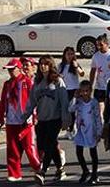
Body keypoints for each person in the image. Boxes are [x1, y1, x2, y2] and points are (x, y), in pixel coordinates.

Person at [23, 56, 70, 184]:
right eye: (41, 64)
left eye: (46, 64)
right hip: (42, 119)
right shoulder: (37, 83)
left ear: (51, 66)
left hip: (55, 118)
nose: (43, 66)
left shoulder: (57, 81)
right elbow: (31, 101)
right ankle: (60, 169)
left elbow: (64, 101)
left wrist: (66, 118)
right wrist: (24, 116)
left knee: (49, 144)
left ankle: (42, 172)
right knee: (47, 145)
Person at [0, 58, 41, 182]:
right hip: (11, 120)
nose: (10, 72)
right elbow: (3, 102)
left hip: (25, 120)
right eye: (9, 70)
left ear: (19, 68)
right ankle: (14, 173)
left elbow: (34, 100)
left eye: (12, 69)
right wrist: (1, 117)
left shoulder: (27, 82)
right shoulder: (7, 84)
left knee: (29, 147)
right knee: (12, 148)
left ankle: (38, 168)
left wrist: (34, 116)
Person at [68, 80, 102, 185]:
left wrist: (99, 132)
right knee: (79, 151)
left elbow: (98, 118)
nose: (85, 93)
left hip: (91, 130)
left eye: (87, 91)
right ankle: (85, 170)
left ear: (90, 91)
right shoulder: (79, 101)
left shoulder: (94, 103)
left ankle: (95, 174)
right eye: (82, 91)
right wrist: (74, 97)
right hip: (81, 130)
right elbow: (70, 109)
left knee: (93, 152)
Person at [89, 35, 110, 110]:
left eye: (101, 45)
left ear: (107, 44)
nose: (99, 47)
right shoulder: (95, 56)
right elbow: (93, 71)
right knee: (98, 108)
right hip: (99, 86)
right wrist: (91, 84)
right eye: (97, 45)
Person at [59, 46, 85, 140]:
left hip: (74, 90)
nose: (70, 56)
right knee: (66, 111)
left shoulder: (75, 64)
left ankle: (72, 130)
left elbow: (82, 74)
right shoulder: (61, 66)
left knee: (72, 110)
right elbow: (57, 76)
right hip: (65, 90)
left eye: (71, 54)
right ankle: (68, 130)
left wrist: (76, 67)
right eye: (68, 54)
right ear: (64, 55)